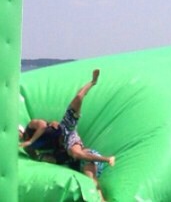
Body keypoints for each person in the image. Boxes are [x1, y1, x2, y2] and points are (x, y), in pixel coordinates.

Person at [20, 69, 115, 200]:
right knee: (90, 182)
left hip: (84, 152)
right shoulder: (50, 151)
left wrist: (92, 82)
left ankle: (93, 82)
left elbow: (43, 124)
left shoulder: (61, 132)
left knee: (91, 181)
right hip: (76, 157)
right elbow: (36, 157)